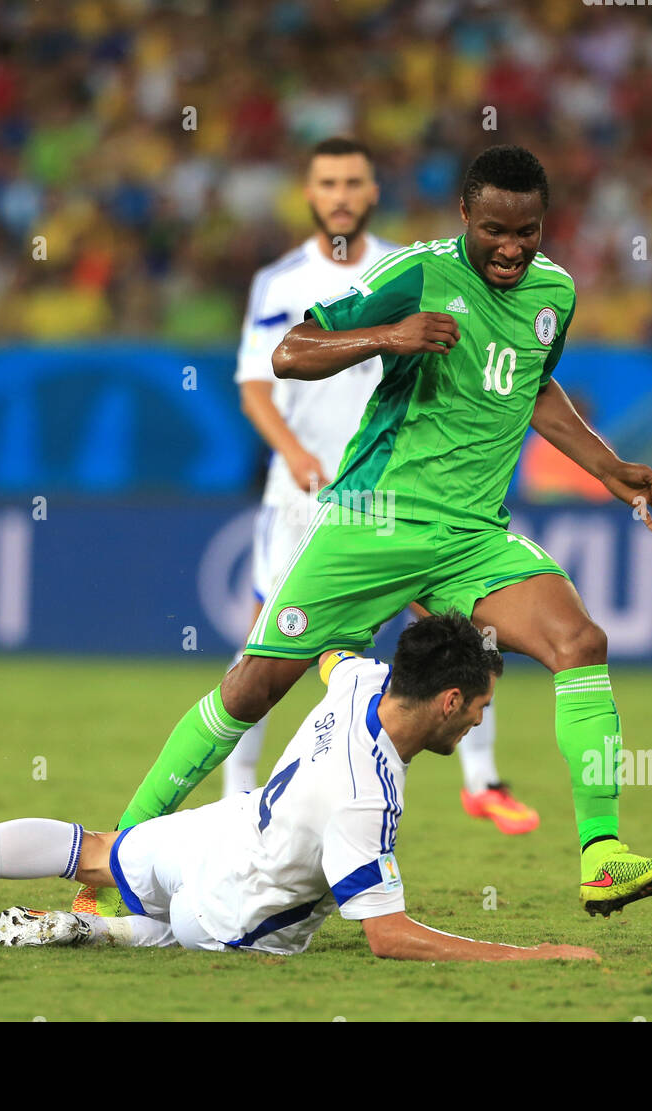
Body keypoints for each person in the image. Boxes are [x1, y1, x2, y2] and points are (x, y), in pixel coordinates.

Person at [113, 144, 652, 917]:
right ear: (465, 216)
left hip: (470, 538)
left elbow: (532, 382)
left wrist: (607, 464)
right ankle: (116, 852)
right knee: (250, 690)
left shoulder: (554, 291)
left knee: (580, 643)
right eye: (495, 229)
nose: (512, 248)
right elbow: (291, 352)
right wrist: (387, 337)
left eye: (527, 230)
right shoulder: (415, 275)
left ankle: (602, 855)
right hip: (371, 524)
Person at [0, 614, 599, 961]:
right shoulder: (371, 799)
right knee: (187, 935)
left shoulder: (366, 677)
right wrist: (531, 953)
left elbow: (325, 653)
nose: (476, 729)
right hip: (232, 906)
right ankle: (96, 933)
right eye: (480, 710)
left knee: (93, 850)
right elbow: (389, 938)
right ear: (450, 700)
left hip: (217, 829)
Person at [226, 135, 538, 833]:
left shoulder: (416, 270)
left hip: (402, 490)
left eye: (353, 182)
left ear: (372, 193)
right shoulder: (279, 282)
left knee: (466, 634)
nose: (340, 194)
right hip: (304, 494)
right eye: (327, 182)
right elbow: (256, 381)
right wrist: (296, 452)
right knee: (264, 652)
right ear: (310, 195)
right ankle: (236, 790)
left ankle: (482, 779)